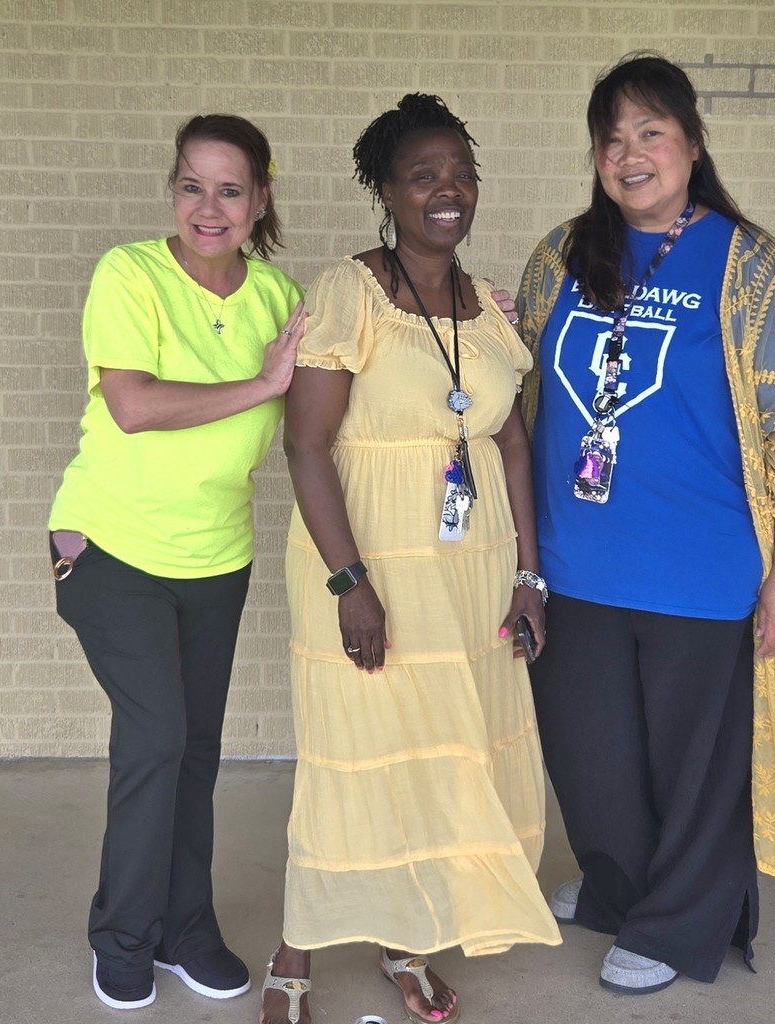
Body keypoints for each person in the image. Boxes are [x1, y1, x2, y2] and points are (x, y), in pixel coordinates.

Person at [516, 54, 775, 994]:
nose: (629, 155)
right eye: (611, 139)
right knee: (591, 753)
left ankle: (682, 924)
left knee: (696, 766)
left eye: (650, 133)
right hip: (575, 564)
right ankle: (617, 885)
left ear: (692, 146)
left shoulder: (747, 264)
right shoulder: (563, 254)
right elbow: (513, 383)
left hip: (701, 566)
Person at [262, 93, 561, 1024]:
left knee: (440, 756)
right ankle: (295, 951)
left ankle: (407, 932)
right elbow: (305, 447)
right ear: (385, 191)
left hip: (471, 577)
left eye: (460, 174)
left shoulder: (491, 309)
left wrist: (527, 574)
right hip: (365, 571)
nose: (448, 191)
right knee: (353, 757)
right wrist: (351, 583)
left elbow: (513, 444)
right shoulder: (347, 291)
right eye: (424, 175)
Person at [48, 114, 305, 1010]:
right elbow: (132, 405)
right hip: (111, 546)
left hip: (214, 557)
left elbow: (347, 374)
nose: (209, 206)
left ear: (260, 200)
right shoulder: (130, 274)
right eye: (192, 185)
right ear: (174, 190)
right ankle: (121, 932)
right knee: (156, 737)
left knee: (196, 748)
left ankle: (185, 928)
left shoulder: (277, 298)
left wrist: (479, 318)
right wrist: (263, 384)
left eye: (230, 189)